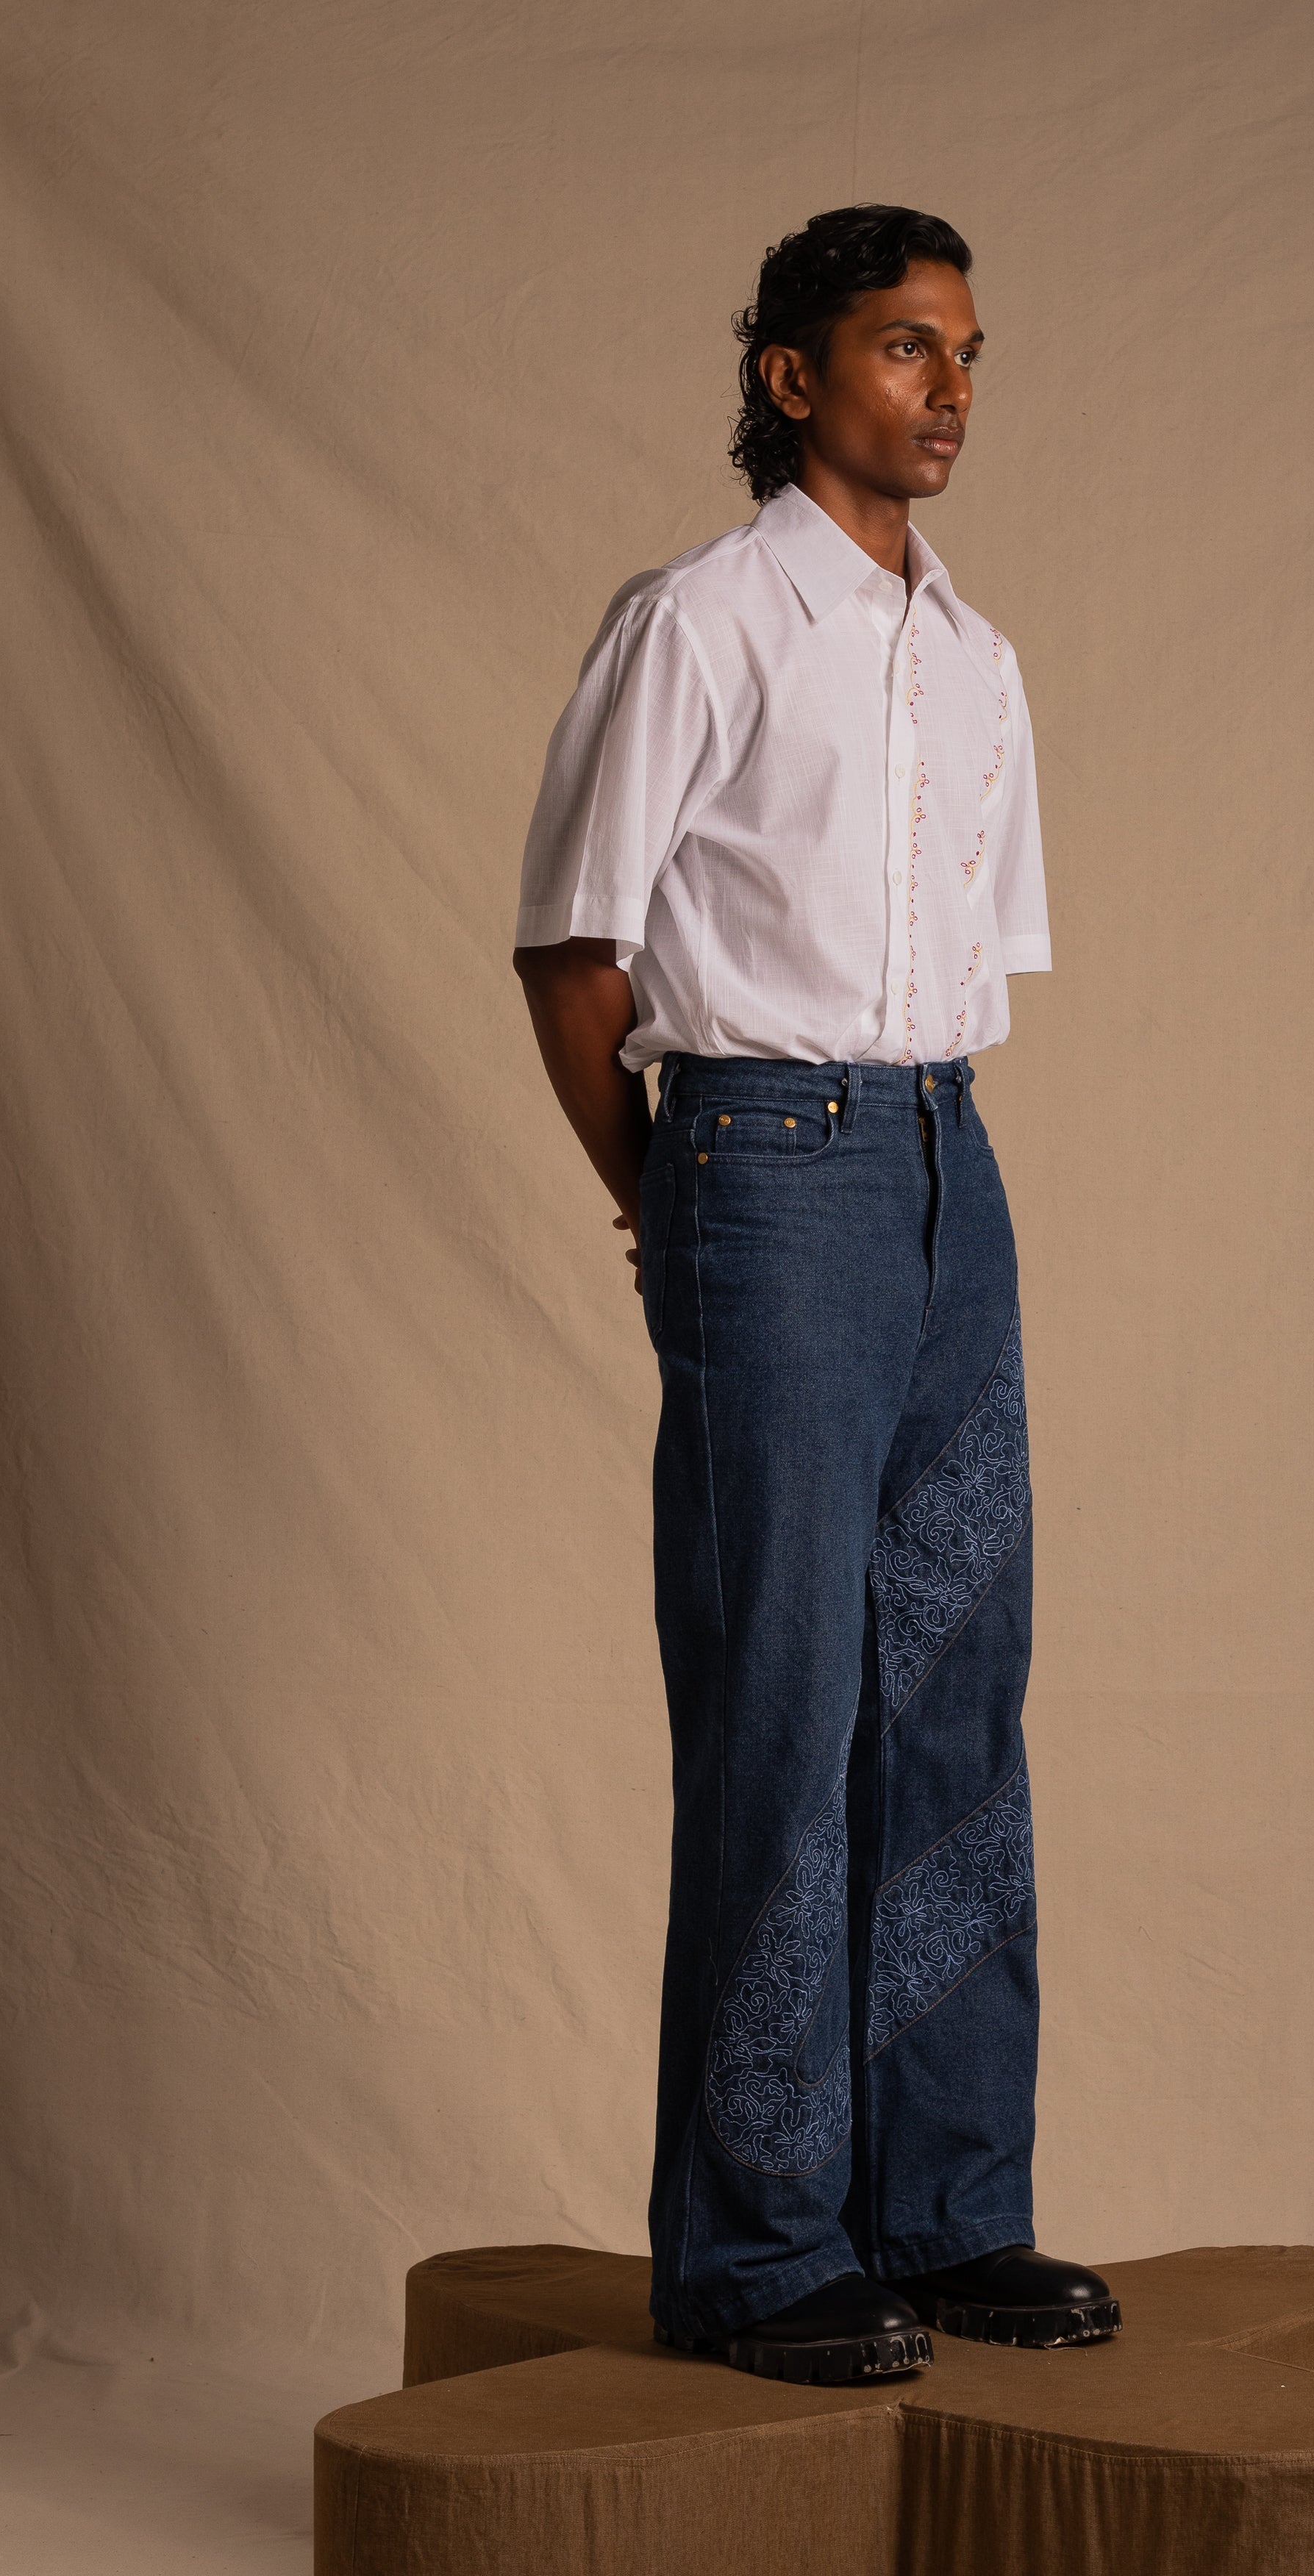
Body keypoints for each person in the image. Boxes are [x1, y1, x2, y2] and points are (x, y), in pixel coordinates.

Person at [513, 204, 1118, 2386]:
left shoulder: (979, 660)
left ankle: (946, 2211)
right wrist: (671, 1202)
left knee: (955, 1683)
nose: (947, 389)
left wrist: (904, 1173)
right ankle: (762, 2248)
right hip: (764, 1160)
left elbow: (968, 974)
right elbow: (578, 954)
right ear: (794, 379)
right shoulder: (698, 622)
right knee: (786, 1700)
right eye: (900, 349)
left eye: (969, 351)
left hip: (952, 1161)